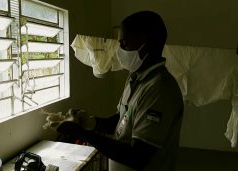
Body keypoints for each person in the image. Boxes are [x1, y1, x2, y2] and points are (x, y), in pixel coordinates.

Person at [53, 11, 184, 171]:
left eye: (125, 44)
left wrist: (81, 133)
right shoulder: (135, 78)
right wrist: (91, 122)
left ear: (147, 45)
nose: (119, 50)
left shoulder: (159, 89)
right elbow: (122, 120)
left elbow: (138, 156)